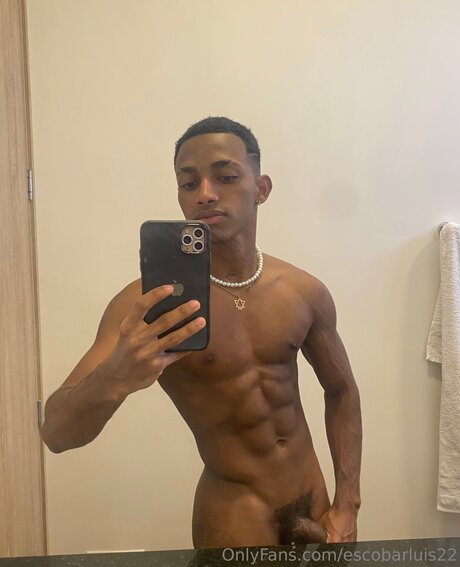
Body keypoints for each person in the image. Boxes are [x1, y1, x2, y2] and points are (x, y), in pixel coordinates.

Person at [41, 116, 362, 548]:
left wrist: (348, 502)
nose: (205, 194)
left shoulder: (303, 291)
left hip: (317, 503)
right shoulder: (147, 304)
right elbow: (56, 433)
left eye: (226, 177)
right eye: (188, 183)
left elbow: (342, 391)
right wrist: (115, 376)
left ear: (261, 188)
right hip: (234, 514)